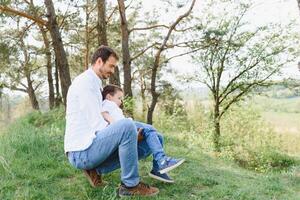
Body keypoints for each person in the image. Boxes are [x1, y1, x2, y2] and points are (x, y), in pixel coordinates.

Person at [64, 46, 159, 197]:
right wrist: (127, 133)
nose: (113, 71)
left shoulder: (95, 83)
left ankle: (95, 171)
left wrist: (130, 135)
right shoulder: (85, 83)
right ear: (99, 61)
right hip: (81, 152)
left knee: (148, 139)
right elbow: (97, 124)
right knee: (127, 126)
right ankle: (130, 185)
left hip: (92, 145)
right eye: (111, 66)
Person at [101, 85, 185, 183]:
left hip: (126, 126)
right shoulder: (107, 103)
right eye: (119, 98)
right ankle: (162, 161)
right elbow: (104, 113)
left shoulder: (113, 106)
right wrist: (115, 125)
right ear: (109, 97)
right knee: (150, 129)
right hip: (123, 127)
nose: (121, 101)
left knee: (159, 137)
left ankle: (157, 170)